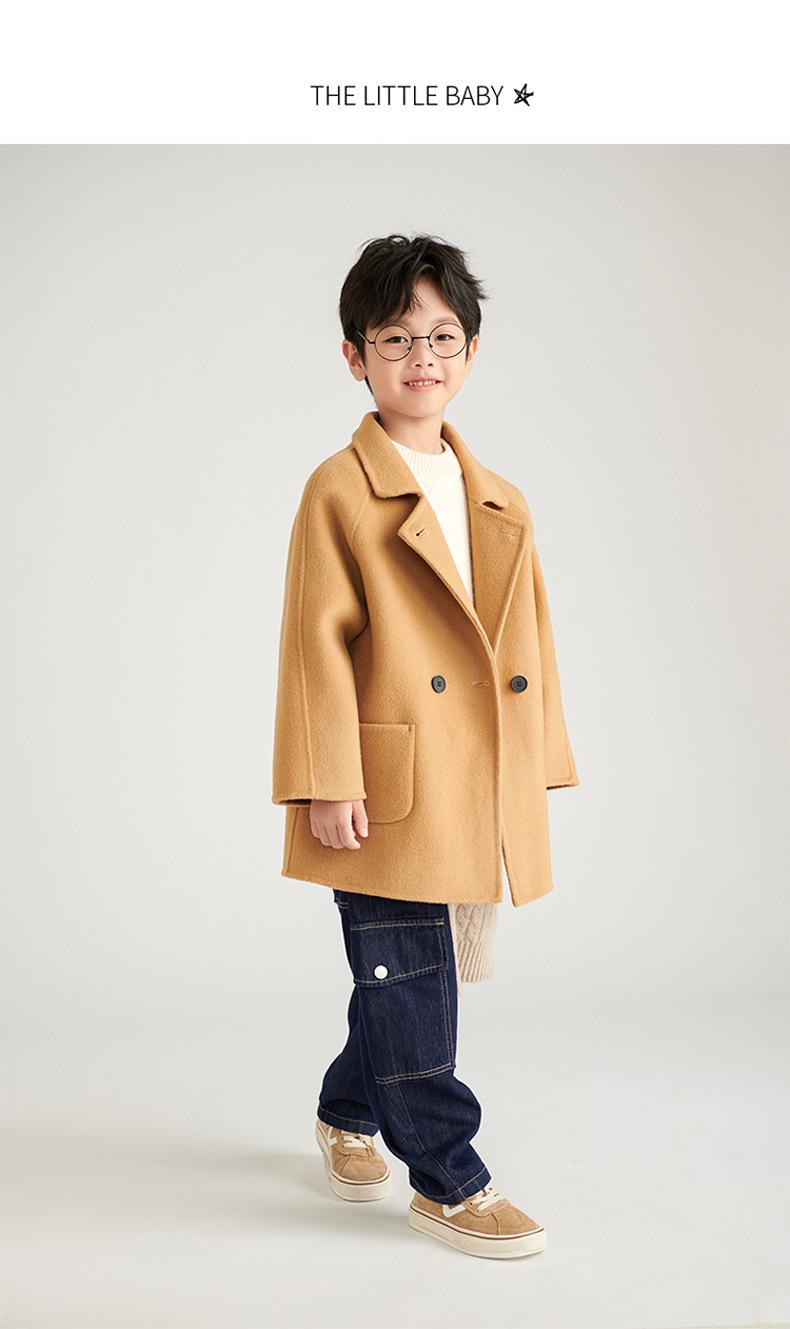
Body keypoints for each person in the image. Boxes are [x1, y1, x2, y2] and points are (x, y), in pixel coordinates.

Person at [271, 233, 579, 1259]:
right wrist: (324, 779)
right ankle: (450, 1180)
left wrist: (534, 765)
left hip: (472, 777)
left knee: (404, 973)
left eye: (443, 337)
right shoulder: (338, 488)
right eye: (396, 337)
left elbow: (528, 644)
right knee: (412, 978)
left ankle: (344, 1112)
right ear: (354, 356)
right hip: (384, 782)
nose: (422, 358)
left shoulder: (501, 497)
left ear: (472, 352)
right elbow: (314, 646)